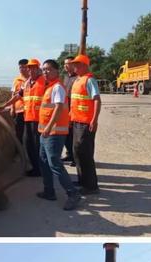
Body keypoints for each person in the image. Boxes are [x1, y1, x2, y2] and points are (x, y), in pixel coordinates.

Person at [37, 59, 81, 211]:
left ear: (56, 71)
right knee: (43, 161)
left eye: (48, 69)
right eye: (43, 70)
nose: (45, 72)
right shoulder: (49, 87)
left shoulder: (57, 87)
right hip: (45, 132)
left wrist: (49, 127)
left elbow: (58, 108)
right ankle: (49, 191)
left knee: (54, 163)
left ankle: (73, 193)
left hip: (54, 132)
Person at [0, 58, 46, 177]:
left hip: (40, 119)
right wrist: (5, 105)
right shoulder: (27, 83)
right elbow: (18, 96)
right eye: (29, 68)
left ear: (38, 69)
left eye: (34, 68)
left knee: (37, 145)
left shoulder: (45, 82)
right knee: (29, 143)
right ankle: (35, 168)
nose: (31, 70)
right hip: (28, 117)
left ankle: (40, 169)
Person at [69, 54, 102, 194]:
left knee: (85, 154)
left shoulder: (89, 80)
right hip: (77, 122)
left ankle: (91, 186)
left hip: (86, 123)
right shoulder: (78, 80)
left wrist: (94, 120)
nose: (74, 66)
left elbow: (97, 100)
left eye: (77, 64)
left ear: (84, 65)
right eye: (74, 64)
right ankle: (82, 180)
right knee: (77, 152)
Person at [62, 56, 77, 166]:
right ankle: (69, 154)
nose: (66, 66)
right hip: (65, 109)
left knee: (73, 135)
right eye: (65, 64)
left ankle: (75, 158)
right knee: (66, 135)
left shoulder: (78, 78)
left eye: (68, 63)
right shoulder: (65, 77)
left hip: (74, 109)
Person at [11, 59, 30, 144]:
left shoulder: (32, 79)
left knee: (28, 133)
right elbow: (13, 94)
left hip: (30, 110)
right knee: (18, 132)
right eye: (20, 67)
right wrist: (12, 108)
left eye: (24, 67)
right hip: (19, 110)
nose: (22, 69)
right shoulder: (17, 80)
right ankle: (19, 151)